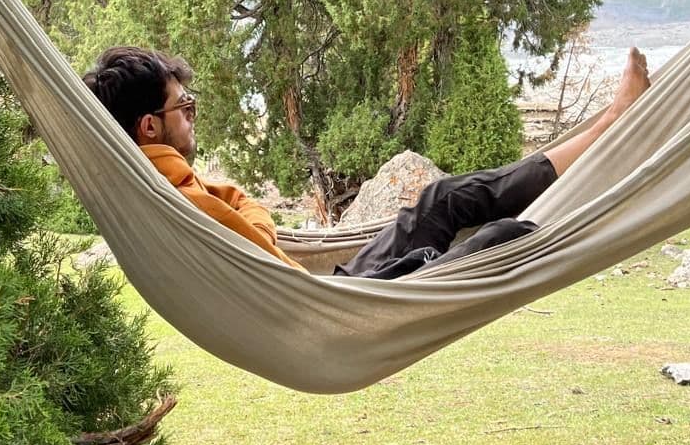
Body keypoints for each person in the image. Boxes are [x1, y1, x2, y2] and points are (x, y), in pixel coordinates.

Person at [83, 45, 650, 279]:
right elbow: (256, 236)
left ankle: (608, 128)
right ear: (149, 126)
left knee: (443, 199)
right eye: (186, 105)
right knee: (506, 233)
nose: (194, 114)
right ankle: (608, 150)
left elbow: (248, 223)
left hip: (328, 293)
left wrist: (243, 206)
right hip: (337, 305)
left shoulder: (157, 180)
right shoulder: (172, 191)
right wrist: (247, 204)